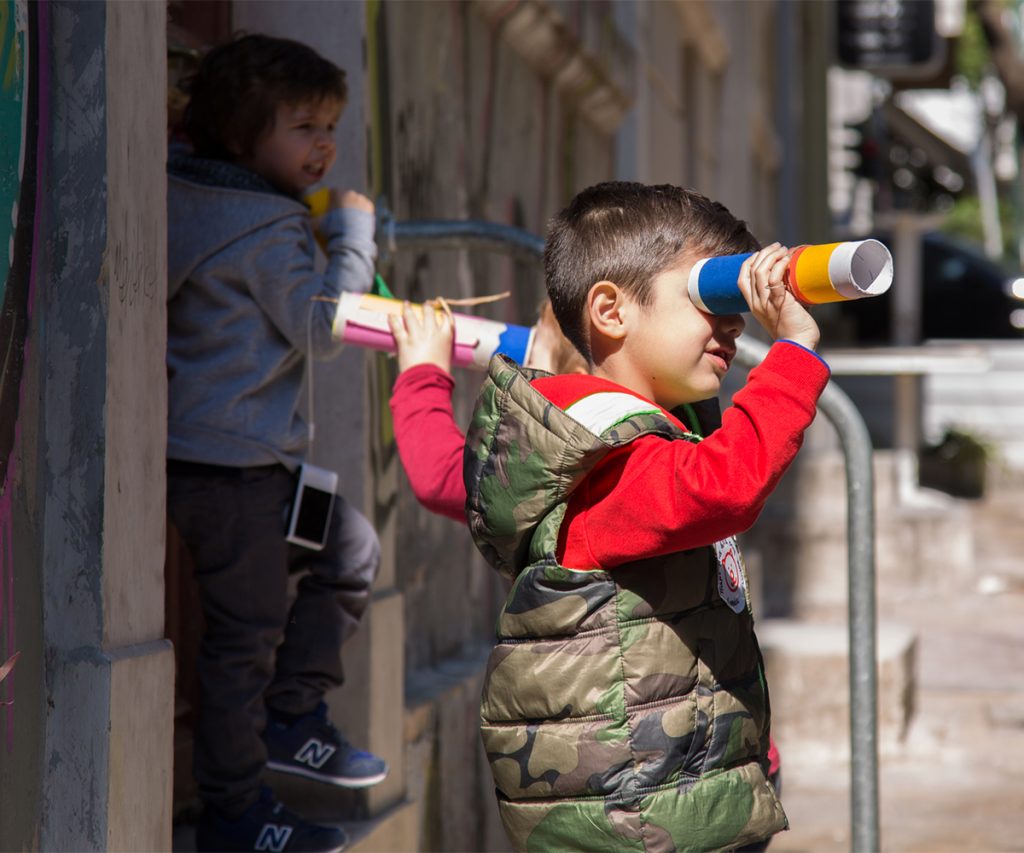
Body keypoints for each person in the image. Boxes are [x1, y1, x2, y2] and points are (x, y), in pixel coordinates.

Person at [462, 182, 830, 851]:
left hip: (663, 792)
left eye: (734, 303)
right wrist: (795, 354)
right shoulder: (607, 460)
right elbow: (728, 484)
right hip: (636, 821)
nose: (734, 323)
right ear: (610, 309)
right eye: (708, 297)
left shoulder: (645, 440)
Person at [166, 34, 386, 853]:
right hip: (238, 471)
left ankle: (294, 713)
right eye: (302, 127)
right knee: (243, 641)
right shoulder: (266, 226)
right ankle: (235, 812)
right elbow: (323, 327)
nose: (324, 145)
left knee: (349, 549)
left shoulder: (182, 190)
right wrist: (353, 240)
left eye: (328, 125)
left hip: (244, 459)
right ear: (239, 133)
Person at [386, 298, 587, 521]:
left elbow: (440, 477)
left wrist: (422, 372)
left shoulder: (546, 471)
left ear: (574, 383)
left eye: (531, 357)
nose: (520, 365)